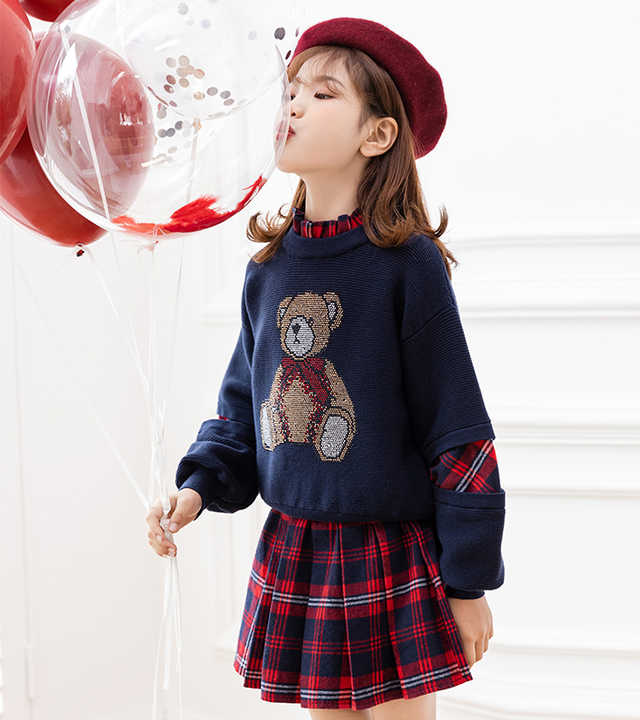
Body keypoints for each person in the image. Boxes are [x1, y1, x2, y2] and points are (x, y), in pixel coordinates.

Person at [145, 16, 506, 719]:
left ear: (378, 134)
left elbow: (455, 427)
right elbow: (245, 410)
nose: (295, 106)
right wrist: (196, 489)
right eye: (291, 91)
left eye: (323, 93)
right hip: (299, 544)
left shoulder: (408, 265)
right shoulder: (268, 271)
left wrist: (467, 583)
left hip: (390, 548)